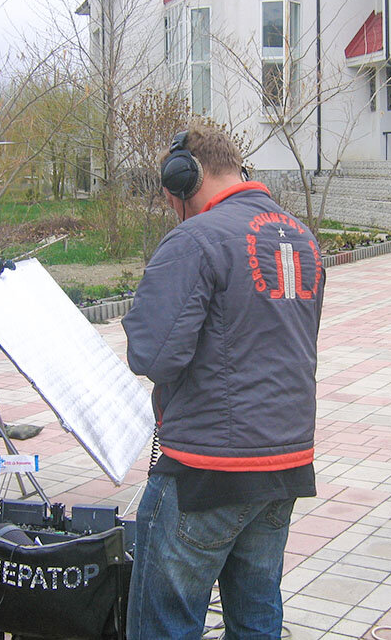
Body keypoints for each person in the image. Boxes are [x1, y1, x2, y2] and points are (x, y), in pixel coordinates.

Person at [122, 120, 325, 639]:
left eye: (172, 196)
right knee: (257, 616)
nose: (173, 207)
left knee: (165, 624)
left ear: (185, 177)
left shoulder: (195, 239)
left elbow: (153, 356)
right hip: (285, 460)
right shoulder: (302, 235)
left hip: (208, 470)